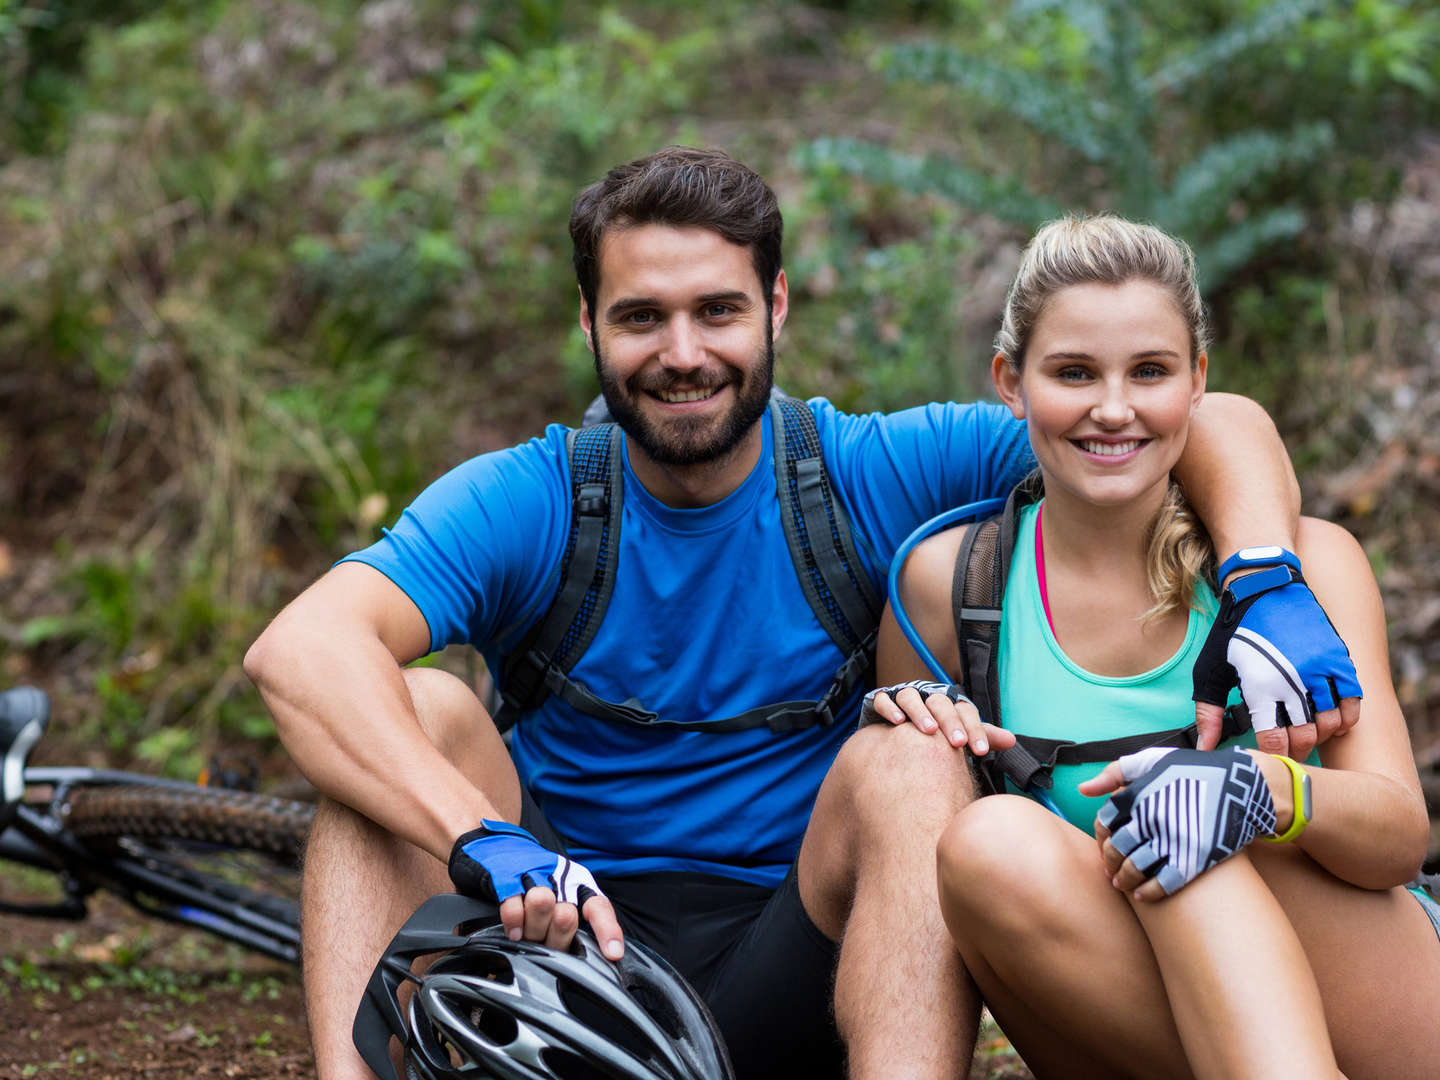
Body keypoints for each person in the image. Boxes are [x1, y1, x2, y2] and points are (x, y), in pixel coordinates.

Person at [244, 148, 1352, 1080]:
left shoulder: (870, 470)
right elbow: (302, 650)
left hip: (804, 958)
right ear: (589, 323)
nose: (684, 353)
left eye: (717, 310)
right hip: (563, 953)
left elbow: (1200, 419)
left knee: (913, 756)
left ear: (775, 307)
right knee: (403, 724)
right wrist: (474, 834)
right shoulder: (533, 498)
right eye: (642, 317)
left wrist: (1262, 576)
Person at [870, 214, 1440, 1079]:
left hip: (1379, 1002)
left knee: (1175, 824)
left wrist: (1260, 790)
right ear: (1010, 382)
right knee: (994, 843)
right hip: (1133, 1010)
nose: (1112, 408)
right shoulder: (951, 590)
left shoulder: (1306, 567)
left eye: (1150, 372)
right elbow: (928, 872)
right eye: (1072, 373)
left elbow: (1398, 838)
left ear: (1197, 379)